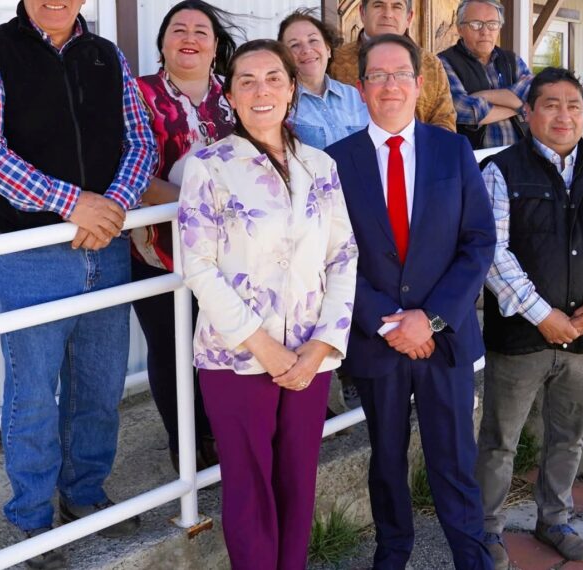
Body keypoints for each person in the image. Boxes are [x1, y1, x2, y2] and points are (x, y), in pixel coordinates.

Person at [0, 1, 155, 567]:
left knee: (99, 387)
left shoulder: (106, 56)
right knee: (34, 395)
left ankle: (85, 495)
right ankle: (33, 520)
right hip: (33, 253)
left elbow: (139, 143)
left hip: (107, 246)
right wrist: (74, 204)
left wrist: (112, 206)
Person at [178, 39, 358, 570]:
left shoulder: (320, 165)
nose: (262, 91)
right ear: (229, 96)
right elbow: (199, 267)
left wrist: (321, 345)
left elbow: (343, 255)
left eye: (274, 78)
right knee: (250, 483)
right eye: (247, 81)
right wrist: (266, 349)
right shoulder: (207, 166)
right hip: (236, 355)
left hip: (310, 352)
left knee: (298, 479)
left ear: (292, 88)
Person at [325, 34, 496, 569]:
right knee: (387, 462)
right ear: (361, 88)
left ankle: (472, 556)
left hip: (443, 339)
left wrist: (430, 318)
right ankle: (392, 553)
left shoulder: (454, 150)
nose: (390, 85)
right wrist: (387, 321)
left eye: (401, 74)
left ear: (420, 85)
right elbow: (335, 257)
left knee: (455, 460)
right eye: (378, 75)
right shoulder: (336, 163)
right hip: (378, 341)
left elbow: (478, 241)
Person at [476, 67, 583, 569]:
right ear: (528, 114)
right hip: (521, 336)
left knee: (569, 436)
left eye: (573, 105)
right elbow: (493, 251)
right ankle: (486, 530)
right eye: (550, 104)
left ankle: (553, 519)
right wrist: (540, 313)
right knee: (499, 441)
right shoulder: (502, 169)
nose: (563, 114)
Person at [131, 0, 240, 473]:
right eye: (179, 29)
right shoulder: (135, 93)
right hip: (159, 250)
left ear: (216, 46)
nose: (190, 37)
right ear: (163, 43)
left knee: (227, 342)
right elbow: (127, 168)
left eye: (201, 30)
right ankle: (186, 442)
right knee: (173, 347)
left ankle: (223, 434)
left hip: (234, 253)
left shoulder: (237, 93)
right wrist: (193, 205)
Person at [327, 0, 457, 132]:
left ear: (409, 17)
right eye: (378, 5)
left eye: (397, 6)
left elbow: (444, 120)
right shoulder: (335, 61)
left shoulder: (431, 64)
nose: (388, 14)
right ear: (362, 13)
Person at [438, 0, 533, 150]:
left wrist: (483, 96)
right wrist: (520, 107)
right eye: (476, 24)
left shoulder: (511, 60)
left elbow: (533, 94)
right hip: (474, 161)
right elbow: (463, 109)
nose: (485, 31)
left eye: (492, 24)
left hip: (519, 156)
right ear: (460, 28)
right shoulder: (444, 62)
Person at [279, 9, 369, 150]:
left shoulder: (356, 96)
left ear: (328, 49)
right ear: (284, 58)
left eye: (313, 40)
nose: (306, 50)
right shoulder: (281, 104)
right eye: (295, 45)